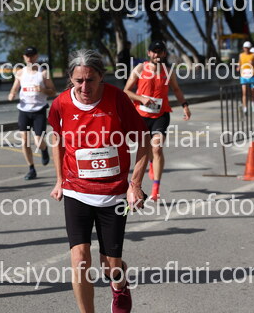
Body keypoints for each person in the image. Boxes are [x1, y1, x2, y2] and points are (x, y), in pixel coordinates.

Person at [49, 49, 150, 313]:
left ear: (101, 77)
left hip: (114, 194)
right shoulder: (61, 103)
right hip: (76, 191)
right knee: (80, 260)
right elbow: (57, 141)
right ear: (70, 78)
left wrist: (135, 185)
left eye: (90, 80)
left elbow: (143, 141)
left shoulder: (117, 99)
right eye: (78, 81)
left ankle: (120, 284)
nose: (84, 87)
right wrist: (59, 180)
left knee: (111, 265)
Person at [123, 41, 191, 201]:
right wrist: (141, 98)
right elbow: (126, 91)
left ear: (164, 54)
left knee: (157, 148)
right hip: (141, 115)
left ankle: (156, 188)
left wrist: (185, 105)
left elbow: (176, 89)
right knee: (146, 149)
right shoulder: (140, 69)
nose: (157, 55)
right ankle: (152, 163)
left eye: (160, 52)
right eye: (154, 51)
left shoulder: (168, 72)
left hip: (161, 115)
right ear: (149, 53)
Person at [8, 46, 56, 180]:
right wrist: (12, 94)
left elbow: (53, 91)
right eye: (27, 56)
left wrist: (43, 90)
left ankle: (44, 149)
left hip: (39, 110)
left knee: (38, 140)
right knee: (24, 141)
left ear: (36, 56)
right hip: (24, 110)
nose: (30, 58)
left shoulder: (43, 73)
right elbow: (14, 88)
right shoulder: (20, 73)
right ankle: (31, 168)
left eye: (32, 56)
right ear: (24, 57)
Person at [237, 41, 254, 113]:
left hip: (252, 75)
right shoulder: (241, 55)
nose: (246, 49)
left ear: (250, 48)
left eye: (248, 48)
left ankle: (253, 104)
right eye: (245, 48)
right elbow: (240, 63)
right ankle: (245, 107)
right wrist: (238, 67)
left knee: (252, 92)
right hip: (243, 75)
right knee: (244, 92)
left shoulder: (253, 55)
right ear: (243, 48)